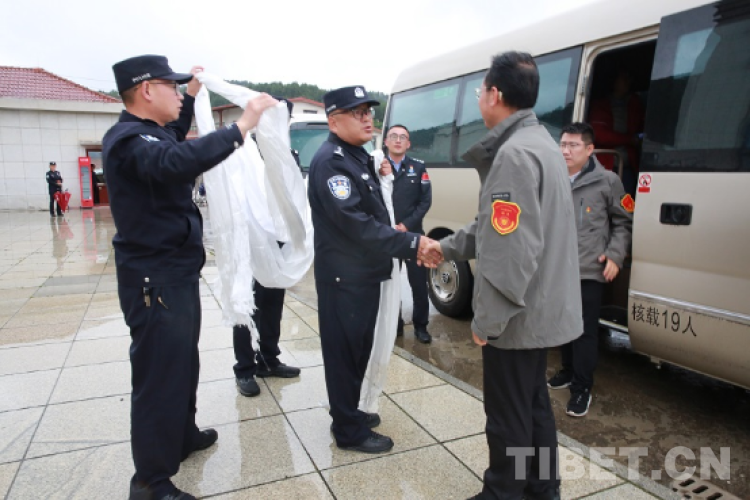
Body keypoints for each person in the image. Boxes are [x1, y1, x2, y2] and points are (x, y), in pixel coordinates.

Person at [103, 54, 277, 500]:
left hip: (174, 273)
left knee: (181, 363)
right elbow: (176, 160)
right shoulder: (128, 141)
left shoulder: (151, 133)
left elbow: (173, 140)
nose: (180, 96)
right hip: (154, 280)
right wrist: (241, 126)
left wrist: (197, 91)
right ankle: (150, 482)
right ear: (147, 90)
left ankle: (181, 435)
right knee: (159, 376)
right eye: (174, 88)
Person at [422, 51, 583, 500]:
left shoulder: (513, 154)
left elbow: (511, 252)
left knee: (507, 414)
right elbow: (496, 227)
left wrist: (488, 321)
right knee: (534, 408)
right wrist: (445, 247)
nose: (479, 99)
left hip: (518, 314)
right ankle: (543, 488)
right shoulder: (542, 143)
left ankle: (502, 492)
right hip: (541, 306)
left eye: (480, 91)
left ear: (494, 94)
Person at [308, 85, 437, 454]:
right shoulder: (332, 162)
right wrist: (413, 243)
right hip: (343, 279)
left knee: (358, 349)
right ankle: (347, 430)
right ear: (334, 121)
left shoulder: (356, 156)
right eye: (357, 113)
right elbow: (357, 224)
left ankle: (351, 413)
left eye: (369, 112)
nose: (368, 119)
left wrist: (375, 169)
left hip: (361, 274)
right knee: (344, 355)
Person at [547, 123, 633, 418]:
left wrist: (615, 256)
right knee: (562, 323)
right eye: (562, 144)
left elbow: (623, 222)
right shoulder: (553, 178)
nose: (566, 151)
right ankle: (568, 370)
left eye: (573, 145)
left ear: (590, 149)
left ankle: (582, 387)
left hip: (588, 269)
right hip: (558, 268)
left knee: (583, 330)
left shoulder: (608, 181)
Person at [233, 97, 300, 398]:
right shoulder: (243, 151)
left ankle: (268, 359)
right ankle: (244, 368)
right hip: (248, 241)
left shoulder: (287, 153)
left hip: (278, 239)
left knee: (272, 303)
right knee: (246, 305)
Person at [377, 124, 433, 344]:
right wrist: (389, 226)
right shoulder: (378, 167)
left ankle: (421, 326)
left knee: (418, 283)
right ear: (386, 142)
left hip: (413, 236)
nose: (398, 140)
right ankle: (396, 325)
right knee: (391, 282)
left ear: (408, 143)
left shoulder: (418, 167)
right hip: (388, 236)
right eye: (394, 136)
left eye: (403, 137)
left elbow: (425, 201)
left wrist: (407, 225)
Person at [588, 68, 645, 195]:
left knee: (626, 204)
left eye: (629, 78)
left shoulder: (635, 104)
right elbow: (599, 135)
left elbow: (643, 130)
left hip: (629, 167)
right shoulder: (600, 105)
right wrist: (630, 140)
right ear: (614, 81)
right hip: (606, 166)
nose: (627, 81)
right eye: (623, 77)